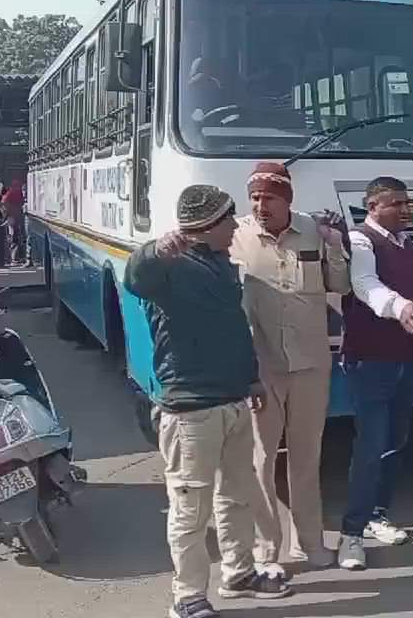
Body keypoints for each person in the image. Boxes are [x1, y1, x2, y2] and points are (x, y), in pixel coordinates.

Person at [124, 185, 293, 618]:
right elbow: (135, 277)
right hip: (189, 410)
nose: (236, 225)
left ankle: (237, 574)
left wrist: (251, 380)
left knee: (236, 496)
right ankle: (188, 598)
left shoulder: (220, 265)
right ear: (205, 227)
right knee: (190, 509)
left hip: (233, 400)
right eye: (228, 220)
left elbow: (234, 330)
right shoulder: (169, 266)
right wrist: (155, 249)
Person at [228, 162, 351, 575]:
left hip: (312, 365)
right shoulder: (236, 236)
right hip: (262, 370)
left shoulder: (314, 231)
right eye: (256, 197)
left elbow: (341, 285)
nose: (261, 205)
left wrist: (334, 244)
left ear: (287, 200)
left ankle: (310, 544)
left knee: (306, 458)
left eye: (270, 197)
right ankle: (267, 550)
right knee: (262, 460)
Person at [337, 177, 413, 571]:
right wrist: (400, 307)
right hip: (370, 361)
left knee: (396, 441)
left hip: (405, 359)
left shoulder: (406, 244)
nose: (405, 210)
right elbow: (365, 285)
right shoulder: (361, 240)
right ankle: (351, 536)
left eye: (407, 203)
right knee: (370, 446)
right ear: (372, 206)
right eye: (396, 204)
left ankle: (378, 515)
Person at [3, 178, 26, 266]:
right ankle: (16, 258)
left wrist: (6, 214)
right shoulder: (18, 192)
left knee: (12, 237)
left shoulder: (11, 192)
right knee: (16, 237)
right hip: (17, 217)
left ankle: (13, 258)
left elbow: (4, 202)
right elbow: (21, 203)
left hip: (12, 217)